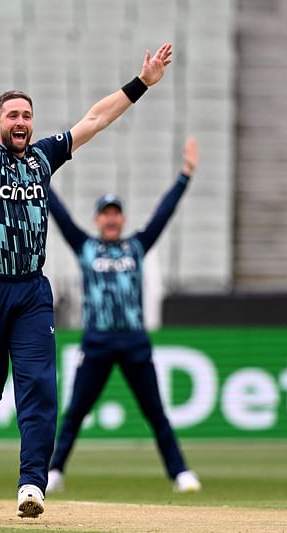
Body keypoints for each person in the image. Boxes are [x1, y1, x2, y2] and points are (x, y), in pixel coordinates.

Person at [0, 18, 172, 518]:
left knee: (39, 386)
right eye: (13, 115)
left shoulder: (44, 158)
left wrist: (141, 84)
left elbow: (94, 119)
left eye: (27, 115)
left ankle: (31, 484)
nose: (22, 122)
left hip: (31, 290)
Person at [45, 138, 202, 495]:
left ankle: (180, 473)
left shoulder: (136, 246)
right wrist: (39, 178)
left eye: (116, 213)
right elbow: (60, 213)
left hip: (133, 341)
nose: (111, 218)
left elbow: (164, 214)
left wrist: (185, 175)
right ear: (98, 219)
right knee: (75, 413)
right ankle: (54, 470)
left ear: (122, 218)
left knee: (155, 413)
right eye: (106, 213)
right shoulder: (84, 246)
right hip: (97, 342)